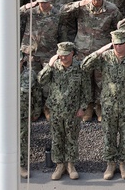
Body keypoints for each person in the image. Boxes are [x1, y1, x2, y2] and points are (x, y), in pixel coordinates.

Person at [81, 29, 125, 180]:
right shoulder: (105, 58)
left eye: (121, 44)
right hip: (108, 104)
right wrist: (100, 51)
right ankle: (110, 164)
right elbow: (85, 65)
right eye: (115, 44)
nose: (118, 47)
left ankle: (123, 164)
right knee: (109, 135)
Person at [38, 41, 89, 181]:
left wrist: (83, 107)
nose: (63, 58)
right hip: (56, 110)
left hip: (73, 111)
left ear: (72, 53)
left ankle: (71, 165)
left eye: (66, 55)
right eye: (60, 55)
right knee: (57, 138)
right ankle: (59, 165)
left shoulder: (80, 68)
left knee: (72, 138)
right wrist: (49, 64)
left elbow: (86, 90)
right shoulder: (54, 67)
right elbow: (41, 80)